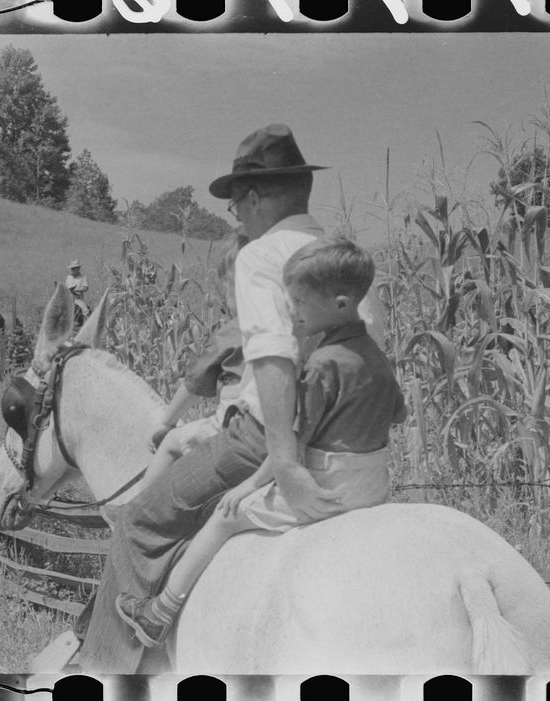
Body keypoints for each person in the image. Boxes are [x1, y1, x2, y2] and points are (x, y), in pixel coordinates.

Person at [76, 124, 394, 672]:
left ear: (253, 197)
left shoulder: (262, 256)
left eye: (235, 207)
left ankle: (102, 669)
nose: (237, 219)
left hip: (264, 438)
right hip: (353, 445)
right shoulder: (344, 258)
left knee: (138, 521)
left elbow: (271, 361)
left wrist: (287, 465)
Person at [115, 235, 405, 645]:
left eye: (301, 303)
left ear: (340, 305)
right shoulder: (376, 357)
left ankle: (158, 613)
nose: (292, 310)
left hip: (328, 484)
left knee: (226, 515)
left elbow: (292, 442)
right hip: (373, 483)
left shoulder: (322, 364)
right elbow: (397, 414)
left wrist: (250, 485)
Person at [136, 239, 246, 495]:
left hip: (236, 425)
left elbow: (194, 384)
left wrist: (166, 423)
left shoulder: (231, 333)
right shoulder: (287, 326)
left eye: (227, 285)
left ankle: (138, 508)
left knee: (173, 442)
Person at [65, 260, 90, 325]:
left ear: (78, 268)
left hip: (78, 298)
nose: (72, 269)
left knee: (85, 311)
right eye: (72, 268)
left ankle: (86, 324)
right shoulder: (69, 277)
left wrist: (77, 290)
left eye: (74, 268)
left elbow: (85, 288)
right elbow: (65, 287)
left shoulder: (83, 277)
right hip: (69, 297)